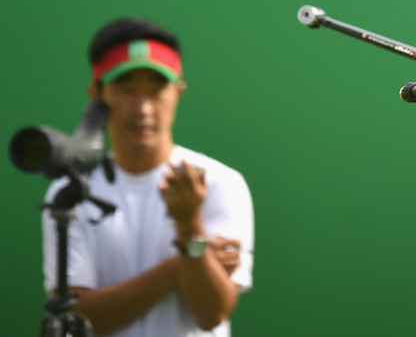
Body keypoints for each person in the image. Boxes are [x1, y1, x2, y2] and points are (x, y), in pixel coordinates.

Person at [41, 17, 255, 336]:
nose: (142, 109)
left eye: (157, 91)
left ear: (178, 91)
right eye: (126, 90)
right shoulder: (69, 192)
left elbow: (211, 314)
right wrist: (183, 261)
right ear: (97, 95)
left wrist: (188, 223)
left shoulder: (221, 183)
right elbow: (78, 318)